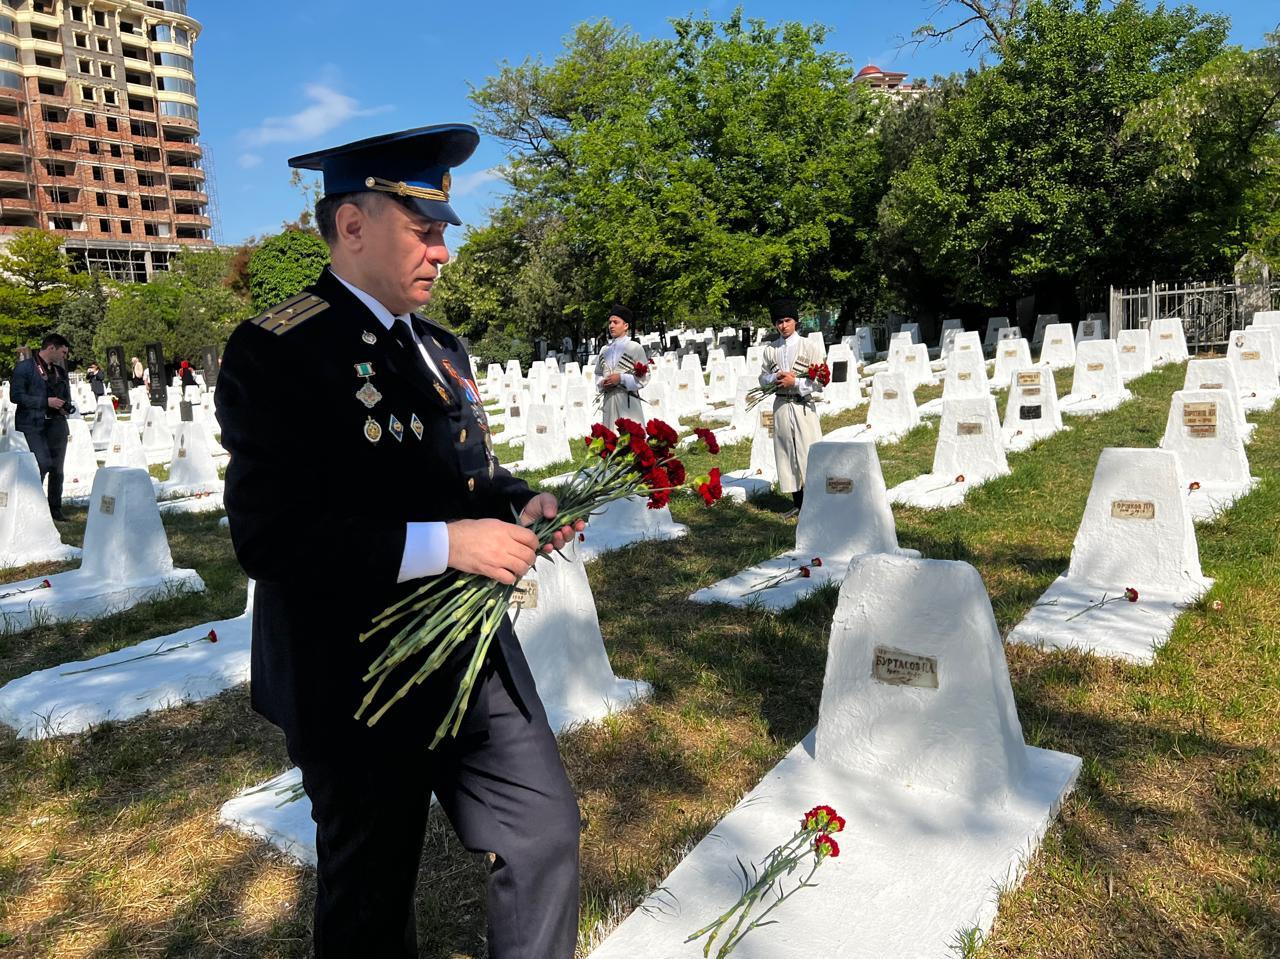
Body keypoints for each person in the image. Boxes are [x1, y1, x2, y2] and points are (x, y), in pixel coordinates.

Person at [214, 124, 584, 959]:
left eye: (444, 229)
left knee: (542, 828)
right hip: (352, 670)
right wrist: (449, 545)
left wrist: (526, 501)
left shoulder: (442, 348)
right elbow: (273, 539)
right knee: (371, 895)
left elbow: (463, 477)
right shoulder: (280, 348)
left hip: (467, 650)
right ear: (353, 225)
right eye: (426, 228)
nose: (443, 250)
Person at [759, 299, 824, 517]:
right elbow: (762, 377)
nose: (783, 325)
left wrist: (794, 383)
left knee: (808, 451)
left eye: (787, 320)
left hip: (802, 405)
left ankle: (815, 501)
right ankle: (797, 503)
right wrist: (773, 378)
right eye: (779, 322)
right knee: (787, 453)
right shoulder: (771, 350)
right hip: (781, 406)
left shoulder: (810, 347)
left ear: (795, 321)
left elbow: (820, 381)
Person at [11, 333, 73, 520]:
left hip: (56, 423)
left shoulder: (59, 371)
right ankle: (32, 505)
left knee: (57, 468)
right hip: (32, 424)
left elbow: (65, 396)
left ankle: (55, 509)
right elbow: (16, 396)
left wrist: (65, 406)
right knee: (42, 463)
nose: (65, 356)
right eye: (63, 352)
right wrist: (45, 402)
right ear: (51, 348)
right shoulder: (24, 368)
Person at [593, 304, 650, 428]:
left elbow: (645, 377)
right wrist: (603, 383)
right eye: (610, 322)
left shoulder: (635, 348)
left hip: (628, 401)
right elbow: (597, 373)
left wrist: (621, 378)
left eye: (615, 322)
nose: (611, 326)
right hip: (609, 401)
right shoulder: (604, 350)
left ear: (625, 326)